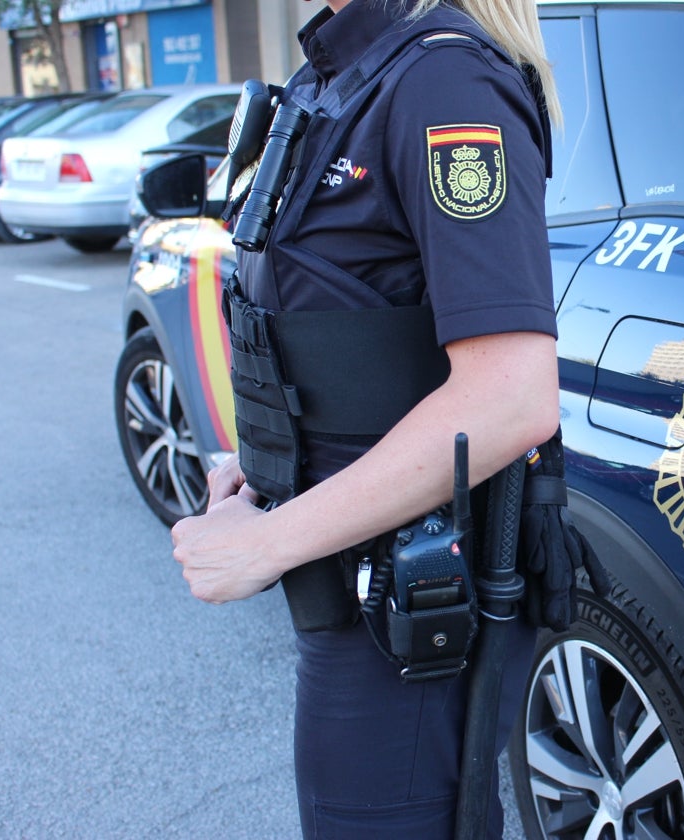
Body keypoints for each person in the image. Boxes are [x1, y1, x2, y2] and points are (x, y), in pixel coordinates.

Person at [170, 0, 561, 836]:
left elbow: (511, 397)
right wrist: (275, 457)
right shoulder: (342, 72)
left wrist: (266, 543)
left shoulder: (445, 81)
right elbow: (351, 327)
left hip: (410, 607)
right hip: (351, 589)